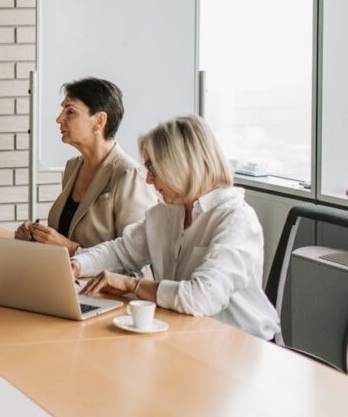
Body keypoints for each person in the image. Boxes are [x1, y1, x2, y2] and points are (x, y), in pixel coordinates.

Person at [76, 115, 281, 340]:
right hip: (186, 333)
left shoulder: (236, 218)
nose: (148, 180)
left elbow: (201, 297)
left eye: (152, 168)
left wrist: (133, 285)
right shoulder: (165, 212)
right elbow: (121, 251)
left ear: (181, 164)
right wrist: (75, 265)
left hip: (240, 343)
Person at [15, 78, 157, 256]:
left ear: (99, 120)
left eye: (70, 112)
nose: (59, 119)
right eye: (62, 110)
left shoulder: (130, 174)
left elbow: (137, 259)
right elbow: (67, 235)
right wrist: (37, 238)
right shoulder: (72, 167)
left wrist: (71, 248)